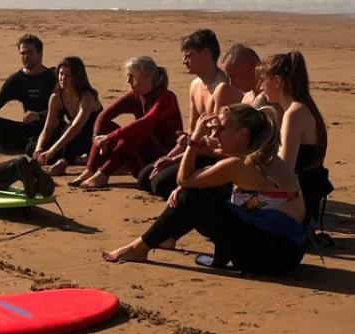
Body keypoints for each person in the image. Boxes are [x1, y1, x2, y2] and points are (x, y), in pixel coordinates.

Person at [104, 104, 306, 275]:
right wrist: (189, 175)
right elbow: (203, 168)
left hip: (272, 256)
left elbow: (183, 179)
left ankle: (139, 248)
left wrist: (193, 140)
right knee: (198, 191)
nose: (214, 135)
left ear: (243, 134)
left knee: (190, 196)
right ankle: (168, 237)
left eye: (221, 129)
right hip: (286, 252)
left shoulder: (239, 164)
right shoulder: (261, 156)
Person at [138, 28, 240, 200]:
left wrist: (175, 159)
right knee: (145, 178)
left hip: (215, 156)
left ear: (206, 53)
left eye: (189, 55)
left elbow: (217, 142)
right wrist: (169, 156)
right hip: (197, 149)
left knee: (159, 183)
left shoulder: (223, 88)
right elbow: (192, 133)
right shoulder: (195, 85)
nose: (184, 61)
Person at [70, 57, 182, 189]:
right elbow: (103, 116)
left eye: (131, 76)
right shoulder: (133, 96)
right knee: (108, 127)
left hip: (164, 159)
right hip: (138, 159)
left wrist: (110, 138)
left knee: (134, 133)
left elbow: (146, 123)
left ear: (146, 77)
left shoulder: (166, 98)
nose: (128, 80)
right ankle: (90, 170)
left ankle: (103, 174)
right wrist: (98, 138)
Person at [260, 52, 331, 227]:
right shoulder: (300, 108)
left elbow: (284, 169)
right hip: (301, 199)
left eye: (263, 80)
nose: (260, 87)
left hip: (297, 206)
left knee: (239, 204)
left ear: (277, 81)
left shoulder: (295, 113)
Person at [0, 34, 56, 152]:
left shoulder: (53, 77)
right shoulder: (17, 80)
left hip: (51, 127)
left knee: (34, 144)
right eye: (22, 53)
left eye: (30, 52)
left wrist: (39, 115)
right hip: (29, 129)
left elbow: (64, 110)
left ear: (40, 53)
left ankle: (24, 145)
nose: (26, 56)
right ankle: (24, 144)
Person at [33, 57, 101, 176]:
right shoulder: (56, 97)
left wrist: (52, 151)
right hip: (74, 137)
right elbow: (47, 129)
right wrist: (39, 148)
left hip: (93, 137)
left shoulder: (87, 97)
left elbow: (76, 127)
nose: (63, 78)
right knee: (33, 148)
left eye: (68, 75)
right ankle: (77, 159)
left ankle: (62, 163)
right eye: (61, 74)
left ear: (77, 77)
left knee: (72, 130)